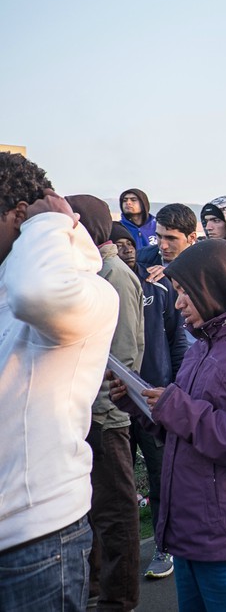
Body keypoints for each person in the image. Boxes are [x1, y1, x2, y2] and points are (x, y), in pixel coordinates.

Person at [112, 239, 226, 611]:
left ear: (214, 287)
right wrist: (138, 403)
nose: (178, 303)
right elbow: (184, 427)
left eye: (186, 292)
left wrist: (178, 408)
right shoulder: (203, 344)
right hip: (192, 535)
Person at [0, 153, 118, 612]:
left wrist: (49, 223)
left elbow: (38, 294)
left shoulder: (89, 292)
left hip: (35, 541)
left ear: (19, 216)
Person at [67, 195, 145, 612]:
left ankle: (119, 597)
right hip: (89, 410)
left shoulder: (114, 274)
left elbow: (124, 356)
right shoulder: (92, 270)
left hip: (107, 413)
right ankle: (96, 584)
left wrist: (107, 409)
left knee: (116, 509)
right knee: (94, 505)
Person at [110, 221, 189, 579]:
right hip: (116, 396)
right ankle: (121, 554)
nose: (125, 248)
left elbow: (175, 338)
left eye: (129, 242)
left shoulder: (157, 285)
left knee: (161, 476)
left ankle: (164, 545)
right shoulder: (100, 286)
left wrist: (175, 385)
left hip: (155, 394)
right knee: (119, 480)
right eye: (117, 243)